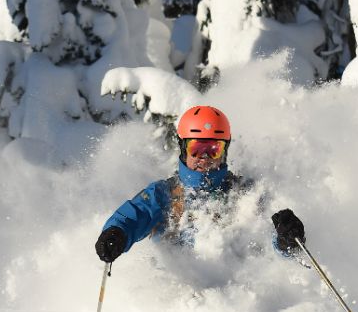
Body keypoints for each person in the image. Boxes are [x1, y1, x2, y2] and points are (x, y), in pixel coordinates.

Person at [95, 105, 306, 263]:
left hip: (238, 292)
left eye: (213, 149)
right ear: (183, 147)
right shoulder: (164, 193)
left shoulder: (245, 193)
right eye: (196, 148)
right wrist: (117, 232)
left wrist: (286, 239)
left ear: (225, 151)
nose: (204, 157)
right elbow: (136, 215)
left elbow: (270, 242)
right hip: (175, 292)